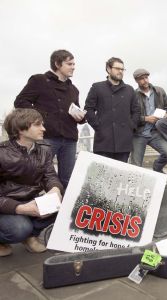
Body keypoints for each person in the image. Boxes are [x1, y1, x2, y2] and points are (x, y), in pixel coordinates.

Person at [15, 49, 85, 188]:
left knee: (67, 179)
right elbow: (20, 102)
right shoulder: (39, 80)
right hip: (46, 137)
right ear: (57, 64)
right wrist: (41, 118)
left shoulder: (74, 89)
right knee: (38, 175)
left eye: (73, 64)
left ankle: (62, 209)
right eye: (69, 64)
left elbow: (76, 109)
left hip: (69, 138)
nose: (73, 67)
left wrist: (81, 117)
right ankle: (33, 207)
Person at [0, 108, 63, 257]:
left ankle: (29, 236)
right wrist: (20, 208)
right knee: (19, 228)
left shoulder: (44, 149)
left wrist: (55, 189)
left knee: (66, 205)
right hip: (6, 206)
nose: (44, 128)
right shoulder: (2, 153)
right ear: (21, 129)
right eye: (38, 125)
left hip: (32, 201)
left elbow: (50, 175)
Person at [84, 57, 140, 162]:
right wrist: (99, 127)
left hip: (124, 141)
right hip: (103, 140)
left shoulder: (129, 89)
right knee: (101, 175)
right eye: (117, 68)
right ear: (108, 69)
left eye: (122, 69)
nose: (120, 71)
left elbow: (136, 111)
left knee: (120, 175)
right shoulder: (97, 87)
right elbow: (88, 109)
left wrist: (131, 126)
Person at [130, 68, 167, 173]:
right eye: (141, 79)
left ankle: (157, 167)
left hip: (155, 132)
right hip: (138, 134)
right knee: (136, 166)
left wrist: (166, 114)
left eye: (146, 77)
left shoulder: (159, 91)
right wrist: (146, 119)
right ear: (136, 81)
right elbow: (130, 117)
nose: (145, 81)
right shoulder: (132, 95)